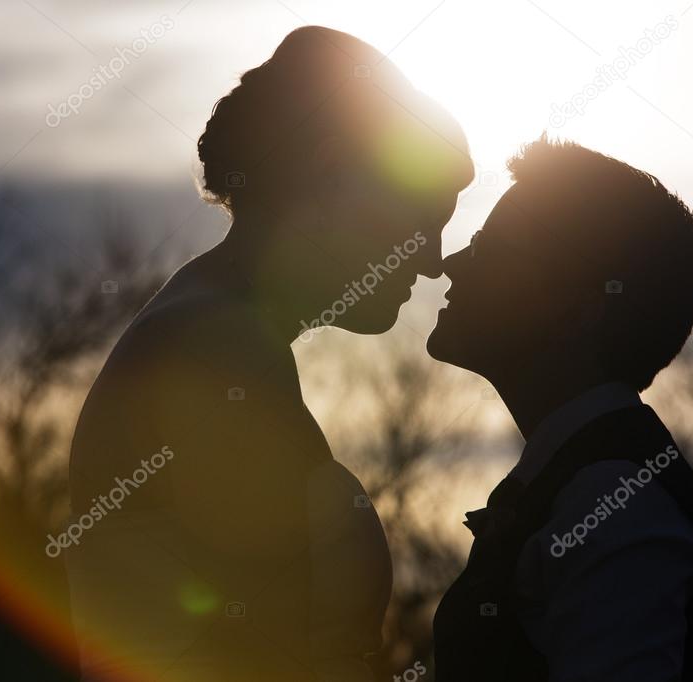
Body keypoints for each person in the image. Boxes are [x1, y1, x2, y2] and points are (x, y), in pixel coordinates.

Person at [65, 26, 474, 682]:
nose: (429, 260)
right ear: (327, 179)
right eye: (417, 218)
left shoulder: (213, 333)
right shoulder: (212, 348)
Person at [428, 137, 693, 681]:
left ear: (579, 311)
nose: (452, 264)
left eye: (490, 249)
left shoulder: (613, 500)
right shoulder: (587, 478)